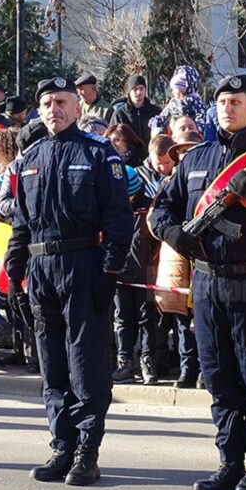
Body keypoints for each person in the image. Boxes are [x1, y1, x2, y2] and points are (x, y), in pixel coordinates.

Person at [149, 74, 246, 490]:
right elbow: (161, 208)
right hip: (206, 280)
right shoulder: (195, 157)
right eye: (222, 101)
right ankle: (229, 462)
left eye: (237, 101)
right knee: (218, 377)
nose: (228, 108)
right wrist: (173, 233)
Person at [4, 76, 133, 486]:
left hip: (82, 265)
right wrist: (14, 274)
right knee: (52, 364)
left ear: (78, 108)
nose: (54, 109)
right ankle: (62, 445)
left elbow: (118, 218)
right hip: (41, 269)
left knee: (85, 364)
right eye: (47, 103)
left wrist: (110, 271)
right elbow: (21, 223)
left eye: (61, 102)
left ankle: (86, 452)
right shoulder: (30, 158)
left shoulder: (97, 154)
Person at [146, 134, 200, 389]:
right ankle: (188, 369)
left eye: (191, 151)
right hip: (177, 257)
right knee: (181, 319)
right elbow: (155, 217)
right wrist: (173, 232)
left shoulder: (209, 179)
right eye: (182, 152)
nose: (186, 156)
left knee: (203, 318)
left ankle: (204, 369)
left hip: (202, 255)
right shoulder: (169, 183)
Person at [112, 164, 160, 384]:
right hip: (119, 275)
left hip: (145, 274)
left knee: (147, 320)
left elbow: (157, 241)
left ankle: (147, 361)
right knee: (122, 320)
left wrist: (153, 264)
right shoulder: (112, 208)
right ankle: (124, 363)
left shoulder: (149, 209)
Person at [150, 66, 207, 136]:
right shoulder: (173, 103)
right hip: (174, 137)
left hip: (191, 137)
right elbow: (163, 116)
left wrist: (190, 129)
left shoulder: (196, 103)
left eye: (175, 89)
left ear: (182, 90)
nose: (172, 92)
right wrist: (156, 123)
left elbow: (201, 123)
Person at [110, 75, 161, 145]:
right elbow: (113, 138)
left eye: (141, 88)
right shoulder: (120, 114)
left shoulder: (155, 112)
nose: (139, 92)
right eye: (135, 89)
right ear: (129, 91)